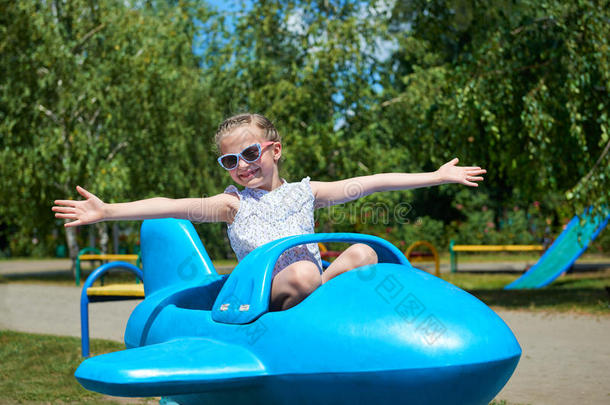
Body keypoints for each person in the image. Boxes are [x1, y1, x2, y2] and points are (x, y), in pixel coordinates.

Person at [52, 113, 486, 311]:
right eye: (230, 161)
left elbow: (369, 182)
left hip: (311, 283)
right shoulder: (231, 204)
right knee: (301, 275)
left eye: (251, 153)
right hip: (264, 295)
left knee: (363, 254)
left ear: (274, 150)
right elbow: (171, 205)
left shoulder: (305, 193)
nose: (242, 165)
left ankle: (336, 320)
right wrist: (107, 210)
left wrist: (434, 176)